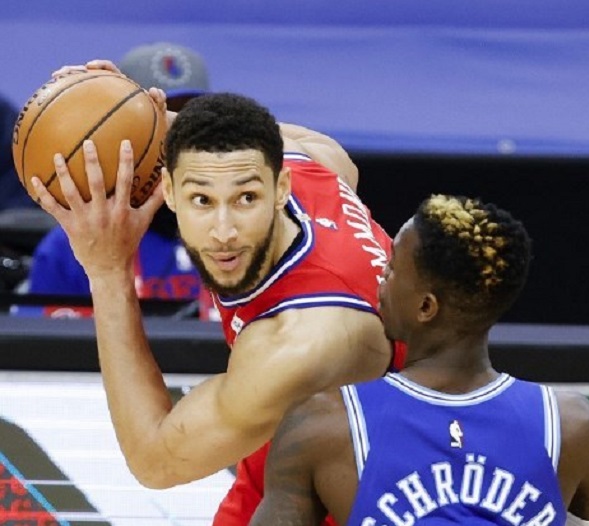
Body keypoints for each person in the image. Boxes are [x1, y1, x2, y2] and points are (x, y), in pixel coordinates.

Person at [32, 62, 402, 526]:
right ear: (168, 189)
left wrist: (107, 272)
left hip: (373, 482)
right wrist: (139, 118)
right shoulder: (310, 161)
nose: (223, 232)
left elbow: (156, 461)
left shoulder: (300, 343)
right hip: (299, 436)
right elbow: (333, 158)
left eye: (245, 199)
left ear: (278, 187)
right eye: (202, 200)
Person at [250, 194, 589, 525]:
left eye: (392, 268)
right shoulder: (574, 425)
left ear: (425, 307)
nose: (380, 275)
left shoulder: (323, 426)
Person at [17, 43, 211, 317]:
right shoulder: (70, 245)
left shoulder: (234, 227)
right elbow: (41, 353)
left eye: (187, 118)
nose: (175, 137)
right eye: (157, 121)